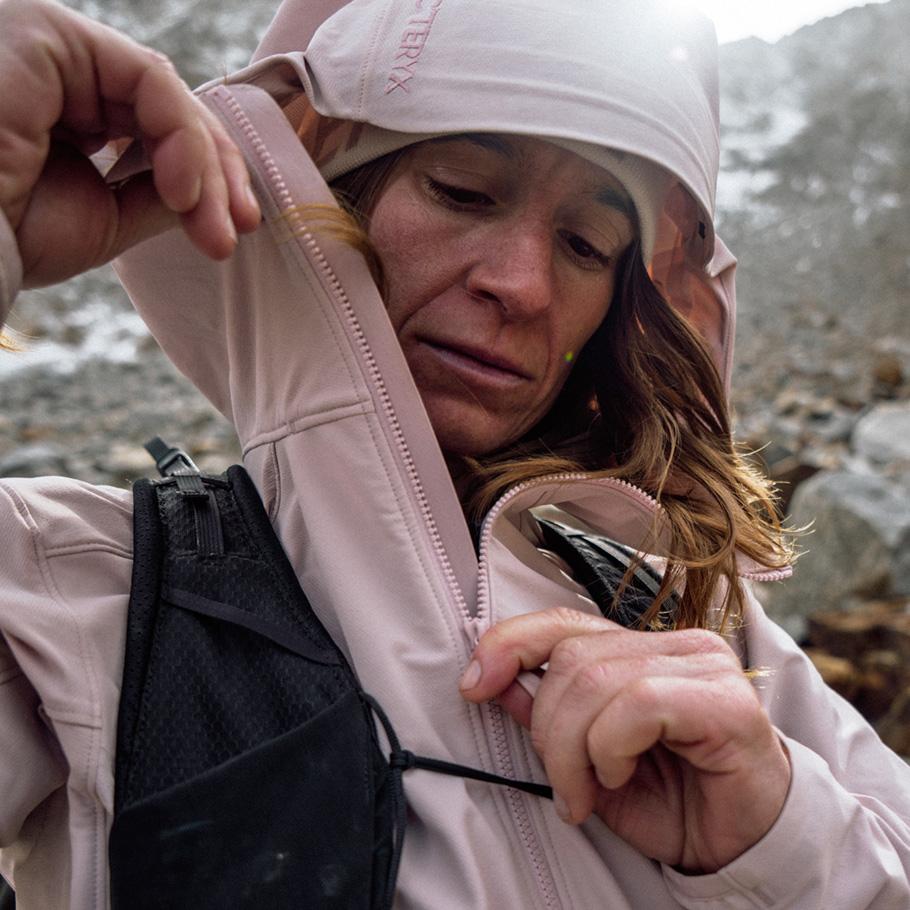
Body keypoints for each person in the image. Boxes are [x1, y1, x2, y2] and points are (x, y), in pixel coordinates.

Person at [0, 0, 908, 907]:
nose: (520, 283)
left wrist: (784, 838)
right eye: (463, 190)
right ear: (327, 203)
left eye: (587, 244)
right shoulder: (82, 597)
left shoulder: (701, 623)